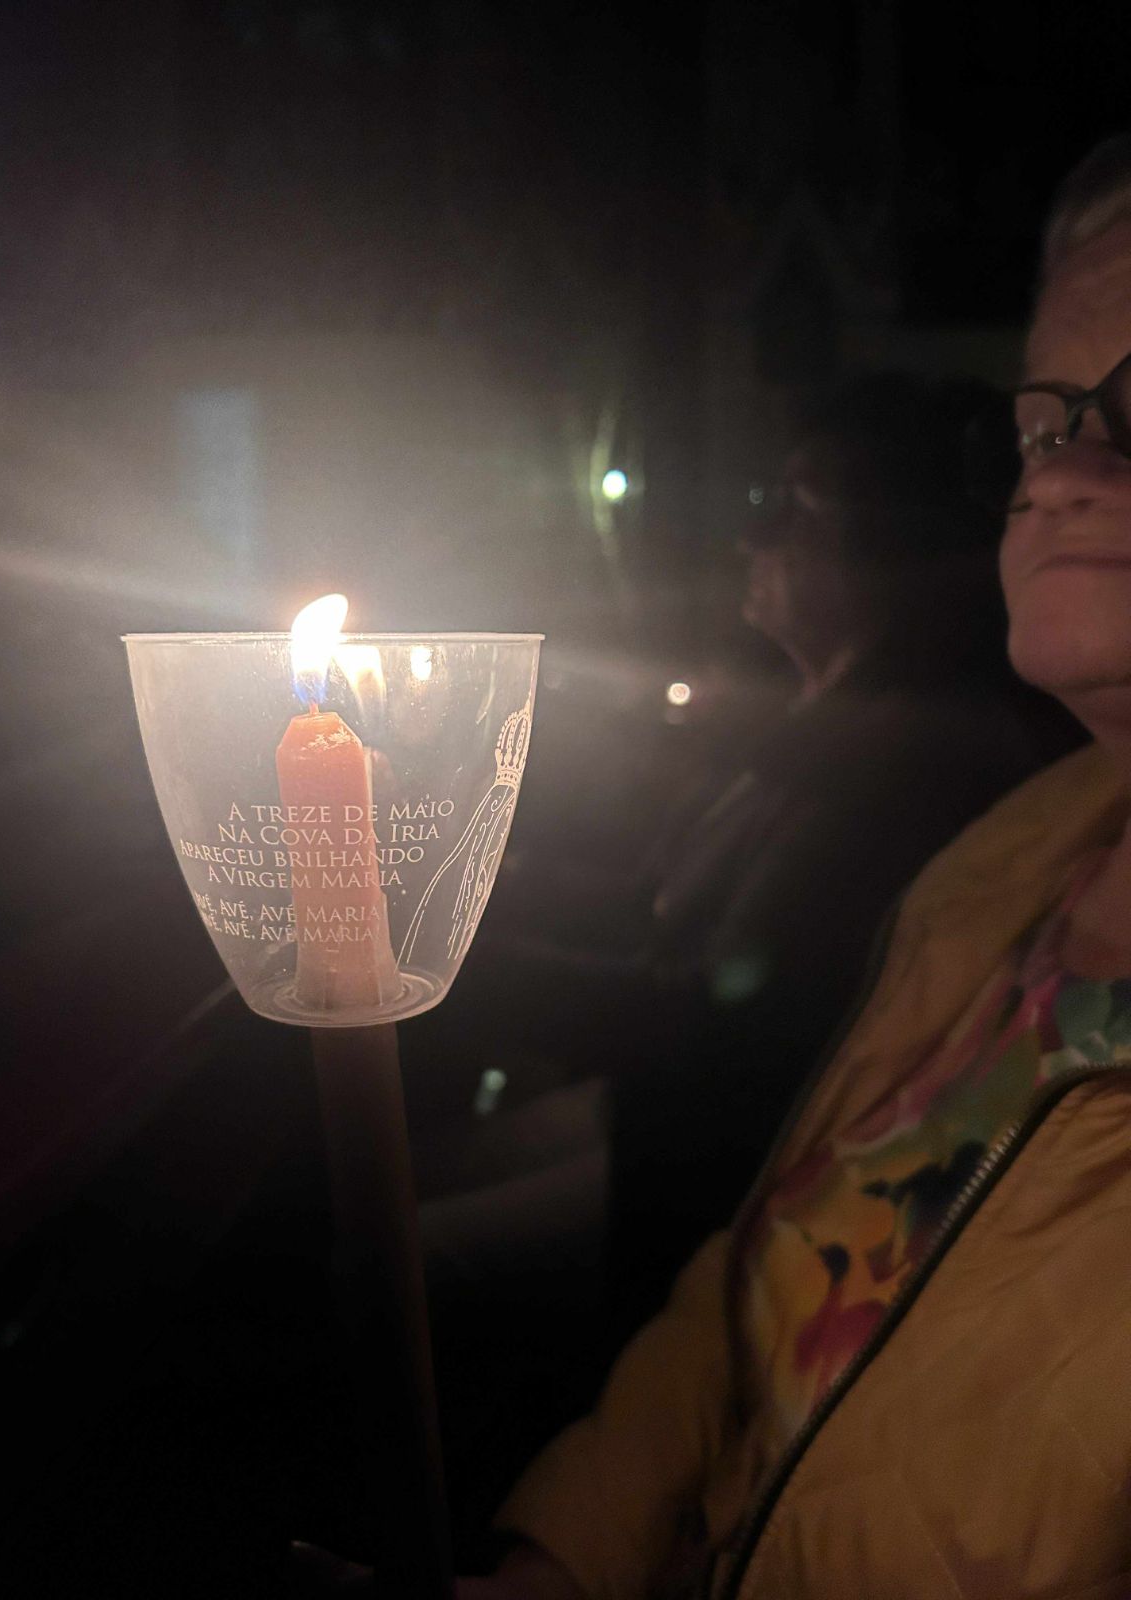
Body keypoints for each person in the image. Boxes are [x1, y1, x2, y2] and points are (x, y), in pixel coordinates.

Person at [476, 132, 1131, 1598]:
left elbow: (706, 1019)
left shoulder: (917, 765)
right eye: (1046, 423)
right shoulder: (1008, 867)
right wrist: (564, 1557)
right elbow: (775, 1256)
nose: (1065, 473)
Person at [605, 370, 1080, 1343]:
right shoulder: (818, 725)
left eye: (798, 510)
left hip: (747, 1205)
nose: (753, 539)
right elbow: (657, 914)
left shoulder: (908, 766)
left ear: (897, 552)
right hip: (654, 1131)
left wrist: (482, 976)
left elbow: (729, 1033)